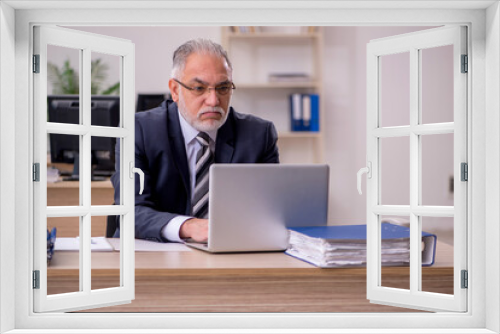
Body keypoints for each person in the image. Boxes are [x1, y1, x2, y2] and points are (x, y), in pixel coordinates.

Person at [111, 39, 279, 243]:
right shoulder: (140, 131)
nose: (214, 101)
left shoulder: (259, 135)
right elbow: (131, 212)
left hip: (229, 254)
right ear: (175, 90)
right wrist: (188, 227)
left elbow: (271, 213)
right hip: (149, 252)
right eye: (199, 88)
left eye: (223, 88)